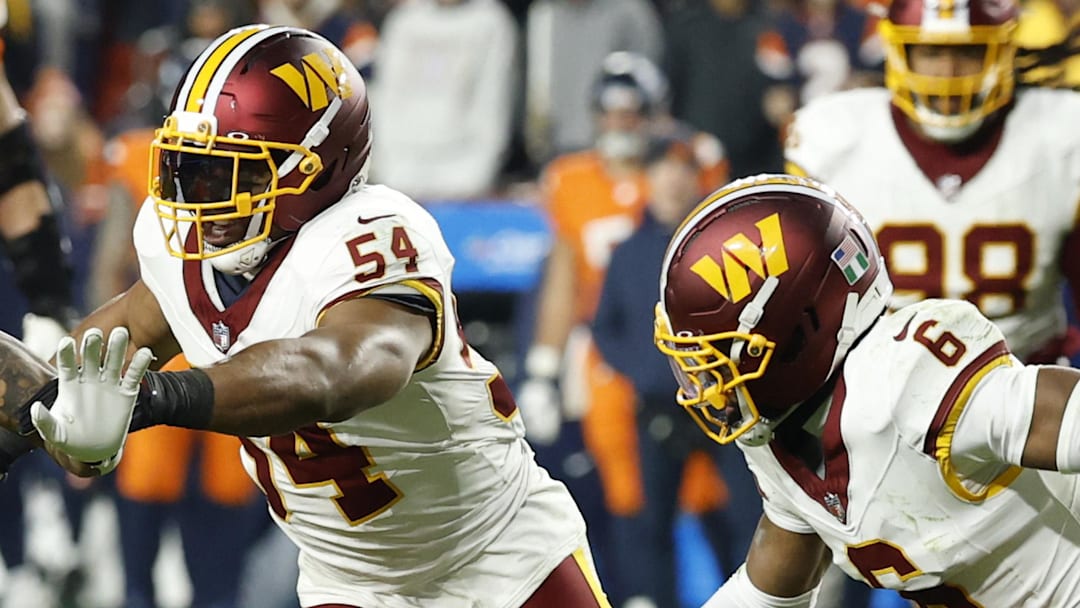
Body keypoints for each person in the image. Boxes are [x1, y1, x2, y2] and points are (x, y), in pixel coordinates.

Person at [13, 23, 609, 608]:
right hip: (349, 583)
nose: (198, 196)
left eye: (227, 171)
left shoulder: (372, 235)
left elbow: (336, 370)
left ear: (316, 165)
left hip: (496, 552)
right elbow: (89, 359)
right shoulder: (180, 252)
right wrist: (47, 418)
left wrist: (155, 400)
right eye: (191, 169)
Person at [654, 173, 1080, 606]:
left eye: (715, 360)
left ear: (794, 332)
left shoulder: (906, 378)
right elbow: (764, 592)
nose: (703, 386)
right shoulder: (782, 435)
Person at [785, 0, 1080, 367]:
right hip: (876, 394)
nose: (948, 71)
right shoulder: (833, 137)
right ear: (897, 50)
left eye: (969, 52)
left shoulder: (1062, 135)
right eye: (930, 52)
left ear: (1004, 49)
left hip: (1026, 388)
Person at [590, 134, 760, 608]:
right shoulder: (628, 252)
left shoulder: (725, 244)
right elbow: (605, 326)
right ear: (647, 179)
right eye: (662, 169)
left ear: (695, 177)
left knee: (747, 517)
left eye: (680, 169)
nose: (671, 180)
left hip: (726, 402)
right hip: (661, 406)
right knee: (653, 520)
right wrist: (645, 371)